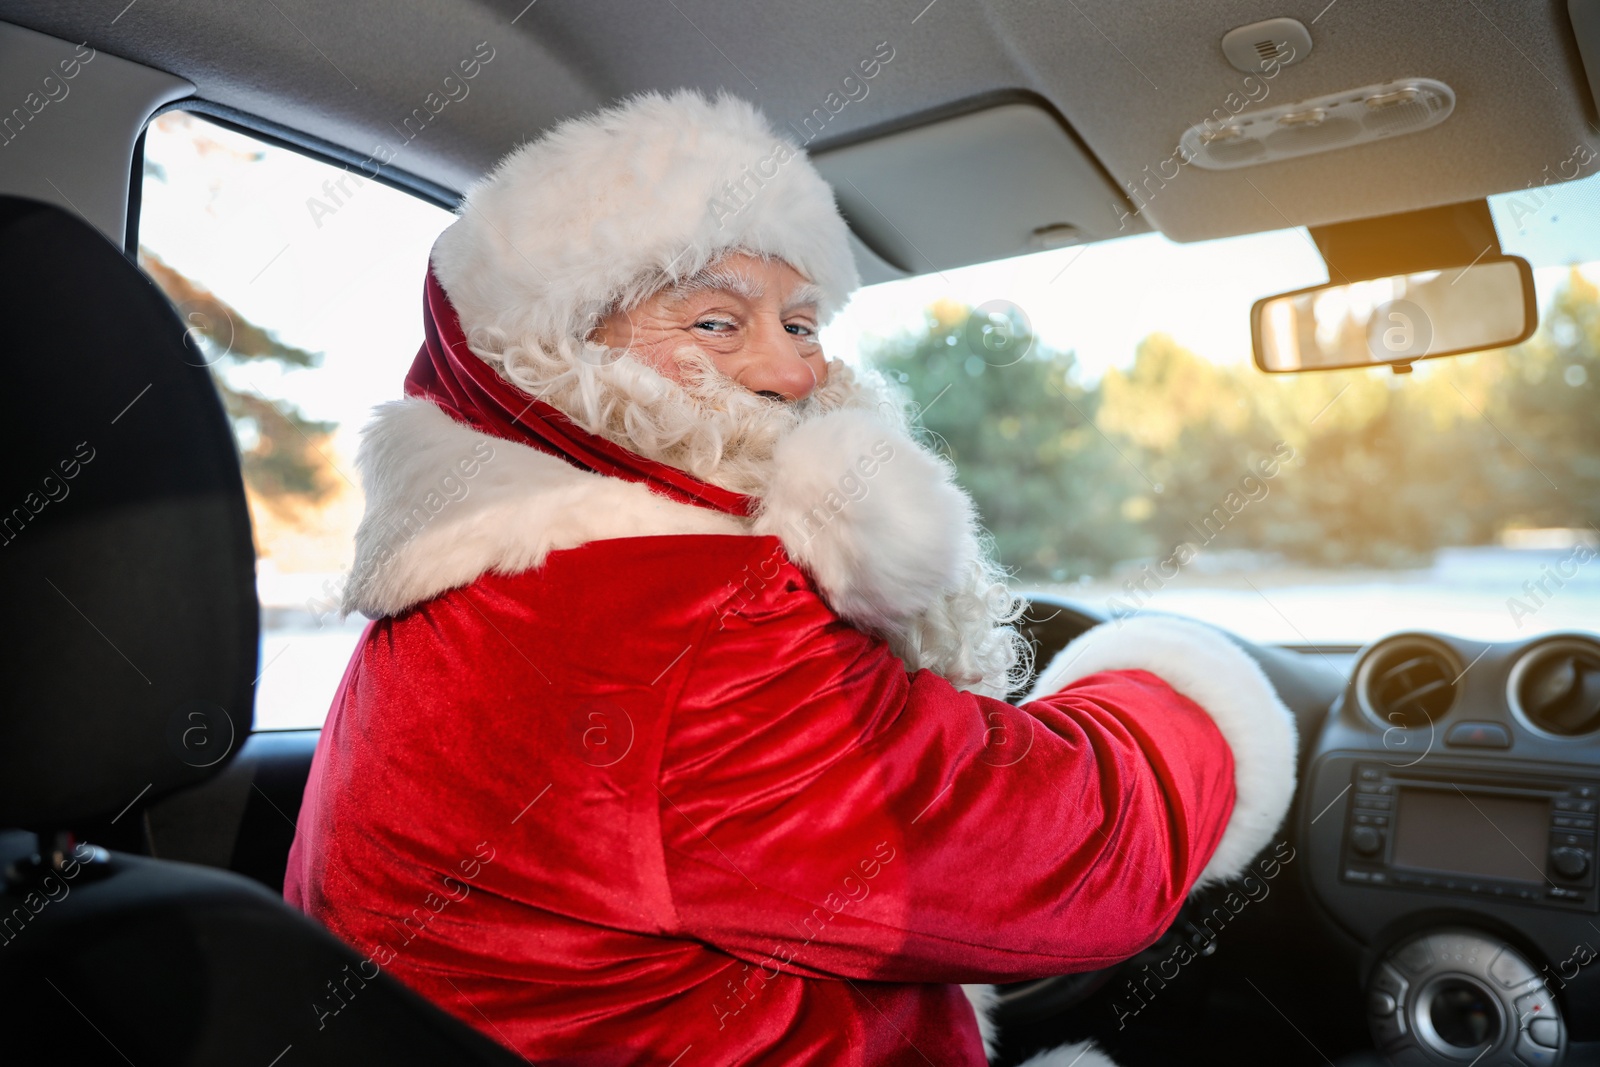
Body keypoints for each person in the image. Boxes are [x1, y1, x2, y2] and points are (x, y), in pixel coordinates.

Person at [284, 89, 1297, 1066]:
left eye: (802, 322)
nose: (794, 372)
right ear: (549, 352)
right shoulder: (673, 619)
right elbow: (1062, 863)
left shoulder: (492, 585)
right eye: (716, 322)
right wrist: (1194, 694)